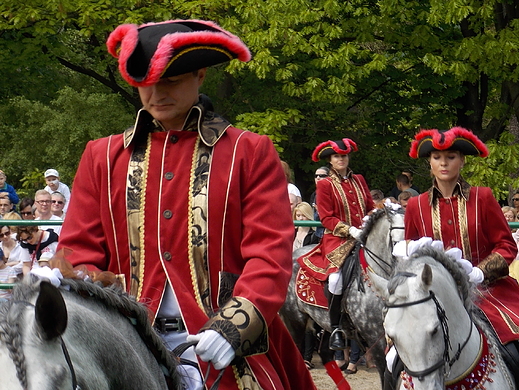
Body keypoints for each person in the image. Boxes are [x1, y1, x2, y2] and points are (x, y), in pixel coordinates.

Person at [56, 19, 314, 390]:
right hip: (125, 345)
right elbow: (79, 250)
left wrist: (233, 328)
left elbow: (269, 253)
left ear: (200, 76)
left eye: (170, 81)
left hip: (222, 346)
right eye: (146, 84)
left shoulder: (249, 151)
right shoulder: (102, 156)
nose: (156, 93)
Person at [404, 126, 519, 386]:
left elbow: (506, 246)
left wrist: (480, 271)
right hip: (433, 296)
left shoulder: (484, 197)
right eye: (436, 158)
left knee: (515, 346)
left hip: (489, 292)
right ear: (429, 163)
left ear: (462, 160)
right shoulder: (415, 205)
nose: (444, 163)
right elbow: (409, 254)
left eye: (451, 156)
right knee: (395, 358)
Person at [297, 138, 374, 357]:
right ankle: (336, 327)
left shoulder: (359, 180)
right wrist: (349, 230)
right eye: (337, 156)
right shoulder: (325, 184)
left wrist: (369, 221)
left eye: (344, 156)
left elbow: (369, 206)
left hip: (363, 234)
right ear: (331, 160)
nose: (341, 159)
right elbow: (326, 218)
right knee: (335, 278)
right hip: (337, 239)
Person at [309, 166, 330, 239]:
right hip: (317, 233)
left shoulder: (334, 193)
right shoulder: (314, 195)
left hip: (330, 233)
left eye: (322, 176)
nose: (318, 178)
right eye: (316, 176)